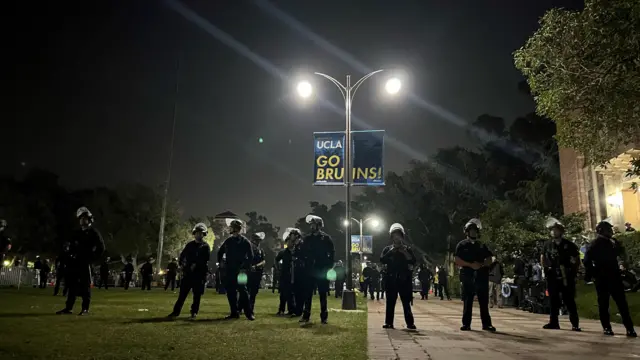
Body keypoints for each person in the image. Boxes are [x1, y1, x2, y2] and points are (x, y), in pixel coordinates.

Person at [584, 220, 637, 337]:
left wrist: (623, 264)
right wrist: (594, 274)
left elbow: (622, 254)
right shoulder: (596, 244)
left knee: (618, 304)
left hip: (612, 276)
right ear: (602, 231)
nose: (611, 231)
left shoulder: (612, 242)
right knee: (607, 304)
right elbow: (587, 261)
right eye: (609, 229)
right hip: (604, 278)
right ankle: (613, 328)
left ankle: (626, 328)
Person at [56, 207, 105, 315]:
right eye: (80, 218)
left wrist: (91, 258)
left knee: (85, 286)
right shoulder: (77, 233)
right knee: (71, 285)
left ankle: (85, 309)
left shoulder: (93, 232)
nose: (82, 220)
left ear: (89, 219)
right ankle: (68, 308)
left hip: (85, 262)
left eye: (84, 218)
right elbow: (71, 245)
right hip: (74, 262)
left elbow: (101, 247)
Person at [454, 218, 496, 332]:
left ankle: (486, 324)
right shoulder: (462, 245)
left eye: (475, 231)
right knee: (468, 301)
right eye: (471, 230)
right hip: (468, 276)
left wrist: (482, 264)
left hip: (482, 276)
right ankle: (466, 324)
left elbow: (490, 258)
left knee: (484, 301)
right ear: (467, 232)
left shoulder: (482, 245)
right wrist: (470, 265)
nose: (473, 233)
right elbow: (457, 260)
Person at [541, 217, 581, 331]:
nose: (553, 232)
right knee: (553, 300)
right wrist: (546, 268)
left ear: (561, 231)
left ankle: (575, 324)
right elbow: (543, 257)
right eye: (552, 230)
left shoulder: (569, 245)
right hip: (552, 275)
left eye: (556, 230)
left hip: (566, 276)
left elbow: (576, 259)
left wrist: (573, 271)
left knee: (569, 300)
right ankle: (553, 323)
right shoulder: (547, 244)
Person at [168, 223, 211, 320]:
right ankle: (176, 312)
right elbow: (182, 256)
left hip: (199, 274)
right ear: (194, 233)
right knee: (182, 294)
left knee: (197, 295)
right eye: (197, 233)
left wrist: (196, 264)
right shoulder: (190, 245)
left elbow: (206, 259)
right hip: (188, 274)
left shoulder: (205, 246)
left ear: (203, 235)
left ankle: (194, 312)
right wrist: (182, 265)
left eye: (201, 233)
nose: (199, 235)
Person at [380, 223, 416, 330]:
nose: (397, 237)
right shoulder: (387, 249)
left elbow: (413, 261)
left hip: (404, 279)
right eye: (394, 235)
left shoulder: (407, 249)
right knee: (390, 302)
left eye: (399, 235)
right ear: (391, 237)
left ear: (402, 236)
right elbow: (382, 260)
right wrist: (392, 251)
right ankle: (388, 322)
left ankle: (410, 323)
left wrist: (404, 251)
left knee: (406, 302)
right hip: (391, 279)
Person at [299, 215, 335, 324]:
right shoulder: (307, 238)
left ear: (319, 225)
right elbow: (302, 252)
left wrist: (328, 266)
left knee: (323, 294)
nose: (311, 226)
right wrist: (305, 264)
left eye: (313, 224)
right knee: (307, 294)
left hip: (322, 269)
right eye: (311, 224)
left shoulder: (326, 238)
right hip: (310, 269)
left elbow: (332, 253)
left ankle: (324, 316)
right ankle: (306, 315)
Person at [218, 219, 254, 320]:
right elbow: (220, 252)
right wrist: (221, 262)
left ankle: (249, 313)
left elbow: (251, 256)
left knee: (243, 291)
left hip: (241, 271)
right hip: (230, 270)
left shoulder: (245, 242)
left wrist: (245, 267)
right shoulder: (228, 241)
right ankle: (234, 313)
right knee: (231, 292)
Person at [276, 228, 298, 316]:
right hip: (284, 275)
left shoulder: (296, 252)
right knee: (283, 294)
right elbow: (276, 260)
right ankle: (281, 309)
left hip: (293, 276)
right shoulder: (283, 252)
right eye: (288, 242)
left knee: (291, 294)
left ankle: (291, 310)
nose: (290, 243)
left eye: (291, 242)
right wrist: (278, 269)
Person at [247, 232, 266, 313]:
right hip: (247, 273)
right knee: (244, 291)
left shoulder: (260, 251)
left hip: (257, 274)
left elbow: (264, 261)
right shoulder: (247, 250)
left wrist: (256, 266)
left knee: (254, 292)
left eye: (258, 241)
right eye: (256, 241)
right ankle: (240, 307)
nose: (257, 243)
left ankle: (251, 308)